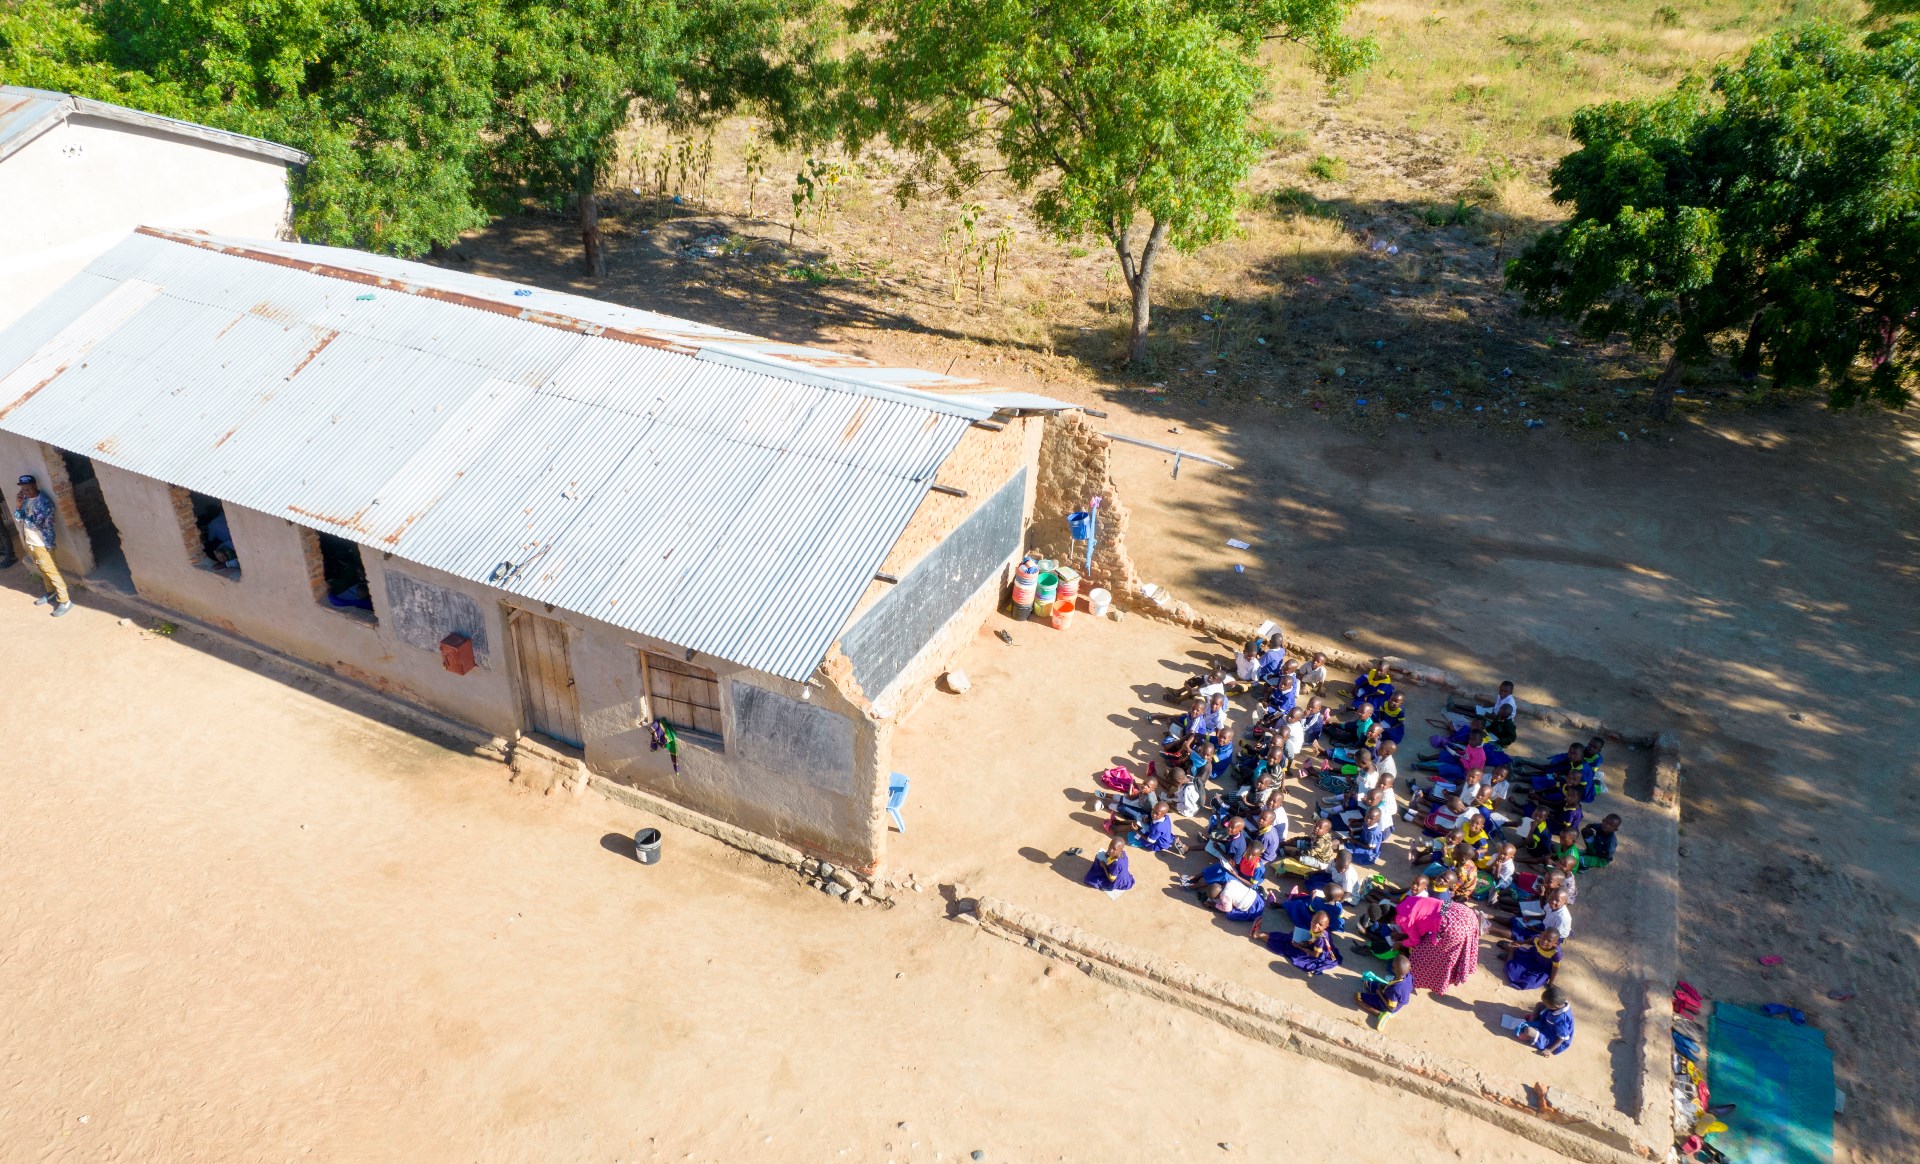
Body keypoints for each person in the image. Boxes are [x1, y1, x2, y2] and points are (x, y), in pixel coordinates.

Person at [11, 475, 72, 616]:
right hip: (31, 542)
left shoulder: (44, 503)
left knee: (51, 571)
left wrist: (22, 514)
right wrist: (19, 506)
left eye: (28, 488)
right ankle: (51, 592)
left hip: (42, 543)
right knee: (42, 569)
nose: (25, 491)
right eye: (23, 488)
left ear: (35, 486)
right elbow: (18, 517)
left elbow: (38, 525)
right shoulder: (26, 500)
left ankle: (65, 600)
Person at [1401, 896, 1480, 996]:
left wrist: (1401, 943)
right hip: (1464, 913)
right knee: (1450, 956)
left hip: (1452, 927)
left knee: (1424, 955)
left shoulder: (1402, 918)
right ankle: (1440, 983)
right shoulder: (1412, 901)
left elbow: (1415, 940)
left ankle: (1411, 982)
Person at [1513, 986, 1575, 1056]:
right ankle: (1533, 1023)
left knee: (1528, 1031)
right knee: (1539, 1005)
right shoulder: (1560, 1003)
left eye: (1546, 1003)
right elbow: (1545, 1005)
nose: (1544, 1003)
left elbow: (1562, 1038)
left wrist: (1549, 1050)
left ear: (1554, 1006)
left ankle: (1533, 1035)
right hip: (1548, 1022)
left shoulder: (1561, 1020)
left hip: (1551, 1036)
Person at [1357, 954, 1415, 1028]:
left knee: (1357, 997)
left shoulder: (1395, 989)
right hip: (1391, 994)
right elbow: (1405, 988)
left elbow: (1392, 1007)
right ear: (1410, 968)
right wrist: (1386, 987)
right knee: (1369, 983)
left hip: (1386, 1004)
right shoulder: (1409, 976)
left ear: (1393, 969)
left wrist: (1380, 993)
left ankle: (1379, 1014)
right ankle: (1376, 995)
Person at [1508, 887, 1572, 944]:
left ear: (1565, 902)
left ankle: (1521, 941)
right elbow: (1545, 915)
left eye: (1557, 900)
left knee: (1523, 934)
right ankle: (1498, 919)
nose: (1553, 901)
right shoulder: (1551, 905)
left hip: (1553, 936)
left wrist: (1535, 930)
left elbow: (1554, 935)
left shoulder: (1562, 918)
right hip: (1546, 927)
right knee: (1517, 920)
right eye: (1552, 897)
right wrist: (1530, 917)